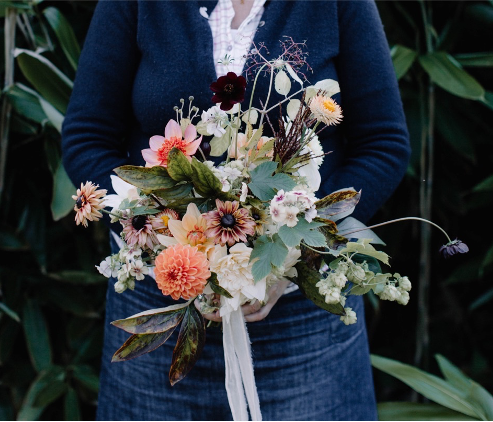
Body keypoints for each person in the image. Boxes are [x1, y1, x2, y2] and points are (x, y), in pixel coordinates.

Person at [62, 0, 411, 420]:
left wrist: (292, 250)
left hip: (302, 323)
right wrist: (166, 240)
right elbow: (87, 137)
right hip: (160, 317)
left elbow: (385, 145)